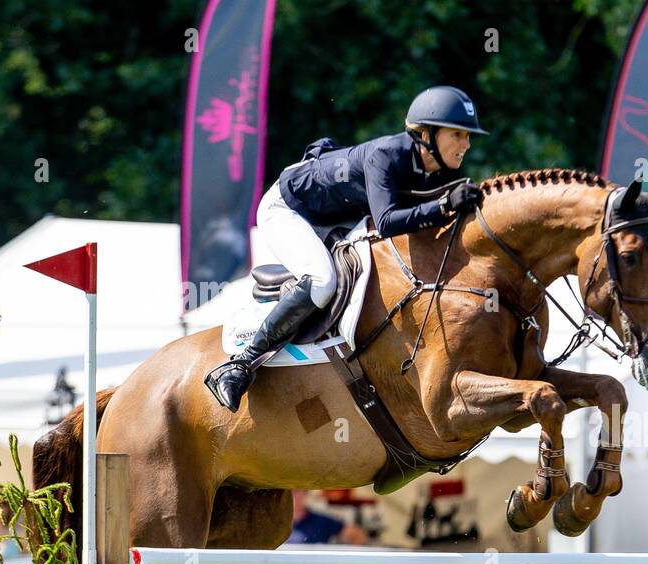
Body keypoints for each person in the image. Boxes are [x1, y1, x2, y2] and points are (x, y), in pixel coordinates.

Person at [205, 86, 489, 412]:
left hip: (332, 217)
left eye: (468, 137)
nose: (466, 145)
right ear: (425, 134)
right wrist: (442, 206)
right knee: (322, 280)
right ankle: (240, 363)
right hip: (287, 208)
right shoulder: (387, 155)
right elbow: (387, 222)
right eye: (458, 135)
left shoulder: (429, 170)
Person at [288, 490, 368, 545]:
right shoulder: (276, 523)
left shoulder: (321, 521)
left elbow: (358, 535)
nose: (292, 495)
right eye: (288, 491)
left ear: (305, 494)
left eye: (297, 491)